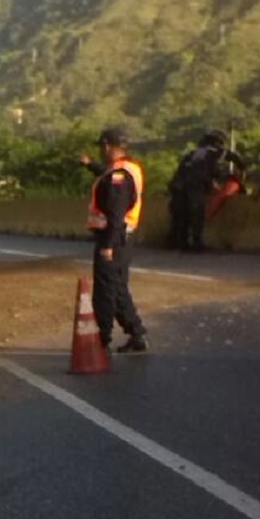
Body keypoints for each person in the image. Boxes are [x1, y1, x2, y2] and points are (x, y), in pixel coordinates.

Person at [84, 128, 149, 353]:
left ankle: (101, 337)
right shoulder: (124, 170)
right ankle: (136, 333)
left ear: (108, 146)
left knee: (105, 289)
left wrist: (108, 245)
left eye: (102, 147)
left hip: (113, 237)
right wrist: (90, 165)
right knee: (118, 286)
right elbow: (105, 177)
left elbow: (115, 213)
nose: (101, 151)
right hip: (121, 237)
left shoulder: (119, 175)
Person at [173, 129, 247, 252]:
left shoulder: (192, 153)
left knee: (182, 215)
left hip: (179, 186)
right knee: (197, 213)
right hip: (196, 184)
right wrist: (242, 169)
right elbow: (234, 157)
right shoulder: (214, 151)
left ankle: (181, 243)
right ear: (217, 142)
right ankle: (197, 244)